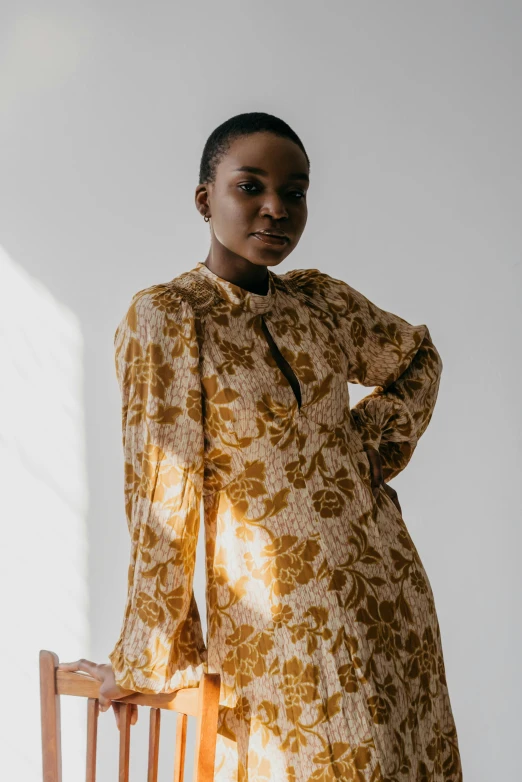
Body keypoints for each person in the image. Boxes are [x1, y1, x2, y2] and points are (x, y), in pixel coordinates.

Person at [59, 112, 463, 781]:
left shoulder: (322, 303)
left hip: (390, 592)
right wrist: (144, 660)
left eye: (295, 192)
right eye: (250, 187)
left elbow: (416, 356)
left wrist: (359, 452)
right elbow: (163, 493)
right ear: (204, 199)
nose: (276, 208)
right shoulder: (169, 317)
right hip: (278, 611)